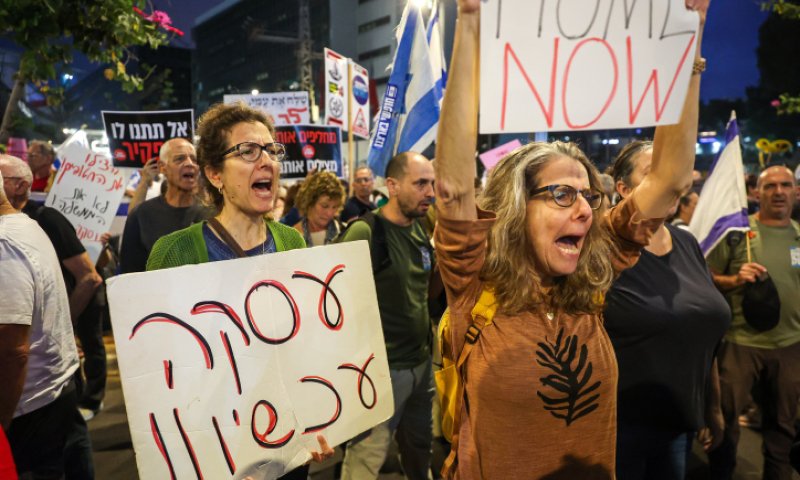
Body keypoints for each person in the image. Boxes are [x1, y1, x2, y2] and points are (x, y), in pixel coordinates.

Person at [432, 0, 708, 478]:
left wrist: (687, 43)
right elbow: (454, 187)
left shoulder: (590, 285)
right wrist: (472, 25)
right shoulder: (473, 285)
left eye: (588, 195)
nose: (583, 207)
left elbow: (670, 181)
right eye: (561, 194)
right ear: (516, 208)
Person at [146, 102, 333, 478]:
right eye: (248, 151)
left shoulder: (292, 243)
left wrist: (316, 419)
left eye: (271, 150)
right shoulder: (174, 253)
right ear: (214, 173)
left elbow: (302, 349)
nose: (266, 161)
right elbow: (157, 374)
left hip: (285, 445)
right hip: (214, 454)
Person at [605, 141, 729, 479]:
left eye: (676, 176)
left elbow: (703, 334)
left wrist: (712, 407)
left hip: (679, 423)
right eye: (655, 175)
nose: (671, 184)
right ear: (624, 189)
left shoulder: (687, 241)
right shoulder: (604, 247)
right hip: (619, 427)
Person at [339, 152, 436, 480]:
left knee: (419, 448)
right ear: (392, 185)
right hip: (380, 373)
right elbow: (333, 306)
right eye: (421, 183)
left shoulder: (422, 227)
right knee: (365, 461)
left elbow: (422, 291)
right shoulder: (365, 233)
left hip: (422, 366)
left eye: (432, 183)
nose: (430, 192)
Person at [706, 165, 800, 480]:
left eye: (786, 185)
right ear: (756, 193)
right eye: (770, 186)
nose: (778, 192)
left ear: (795, 191)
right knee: (726, 424)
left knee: (783, 428)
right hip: (739, 343)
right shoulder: (738, 236)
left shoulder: (799, 236)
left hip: (789, 346)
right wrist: (735, 279)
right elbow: (707, 278)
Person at [0, 169, 81, 478]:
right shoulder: (25, 226)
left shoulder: (3, 241)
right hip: (50, 392)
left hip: (26, 407)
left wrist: (2, 421)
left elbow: (12, 349)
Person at [120, 137, 208, 273]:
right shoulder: (141, 215)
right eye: (180, 159)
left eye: (194, 160)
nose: (189, 163)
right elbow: (130, 273)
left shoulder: (213, 215)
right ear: (162, 167)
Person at [293, 170, 346, 246]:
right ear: (309, 203)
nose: (330, 213)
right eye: (324, 206)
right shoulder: (292, 236)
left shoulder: (344, 232)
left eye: (335, 207)